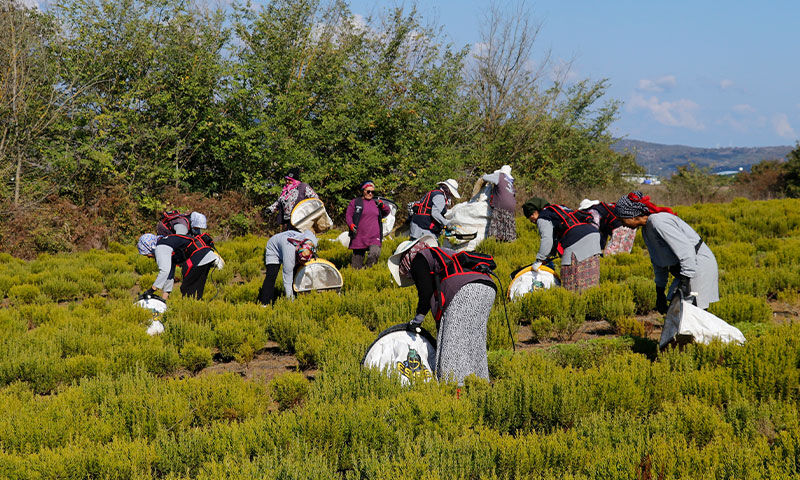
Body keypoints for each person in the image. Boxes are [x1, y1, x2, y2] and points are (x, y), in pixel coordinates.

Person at [387, 235, 496, 384]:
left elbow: (425, 293)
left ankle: (453, 386)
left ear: (405, 260)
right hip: (487, 286)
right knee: (475, 339)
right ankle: (479, 382)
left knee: (452, 344)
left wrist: (417, 320)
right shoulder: (440, 254)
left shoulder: (418, 259)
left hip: (465, 290)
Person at [614, 191, 719, 313]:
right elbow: (659, 261)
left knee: (692, 312)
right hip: (687, 269)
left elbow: (686, 251)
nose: (623, 225)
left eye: (622, 220)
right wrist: (660, 290)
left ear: (632, 216)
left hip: (697, 265)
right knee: (678, 310)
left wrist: (685, 283)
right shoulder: (647, 229)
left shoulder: (658, 222)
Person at [522, 197, 602, 292]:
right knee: (590, 277)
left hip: (577, 240)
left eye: (530, 216)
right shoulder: (558, 209)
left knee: (570, 280)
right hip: (593, 235)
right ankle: (589, 298)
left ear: (535, 212)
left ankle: (575, 298)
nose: (531, 220)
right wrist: (548, 257)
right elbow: (554, 239)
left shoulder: (543, 217)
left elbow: (547, 240)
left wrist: (539, 260)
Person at [136, 232, 222, 300]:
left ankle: (192, 313)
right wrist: (164, 299)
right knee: (195, 291)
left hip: (200, 257)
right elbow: (169, 273)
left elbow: (164, 271)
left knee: (188, 290)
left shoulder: (160, 247)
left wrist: (152, 290)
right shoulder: (166, 242)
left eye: (146, 254)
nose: (148, 257)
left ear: (149, 247)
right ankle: (197, 311)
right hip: (206, 255)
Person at [258, 229, 318, 305]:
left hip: (288, 239)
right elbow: (287, 281)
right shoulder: (290, 254)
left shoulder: (312, 242)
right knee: (271, 275)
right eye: (301, 260)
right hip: (274, 247)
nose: (303, 263)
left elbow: (308, 231)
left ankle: (297, 295)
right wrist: (291, 303)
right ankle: (265, 303)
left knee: (297, 272)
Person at [345, 180, 391, 269]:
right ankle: (359, 274)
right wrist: (351, 225)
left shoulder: (376, 203)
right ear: (363, 191)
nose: (370, 194)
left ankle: (367, 271)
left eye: (372, 192)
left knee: (375, 253)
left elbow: (387, 211)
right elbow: (348, 215)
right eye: (368, 191)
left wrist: (382, 205)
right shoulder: (355, 202)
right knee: (356, 266)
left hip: (374, 236)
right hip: (359, 236)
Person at [482, 165, 516, 242]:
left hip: (501, 204)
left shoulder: (499, 176)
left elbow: (485, 177)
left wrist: (485, 175)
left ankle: (494, 243)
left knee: (495, 231)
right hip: (511, 207)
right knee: (507, 230)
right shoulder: (510, 182)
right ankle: (507, 243)